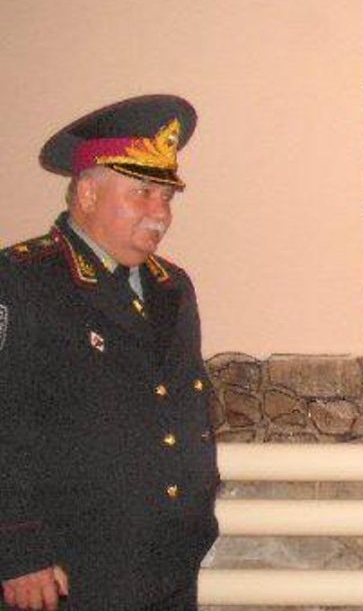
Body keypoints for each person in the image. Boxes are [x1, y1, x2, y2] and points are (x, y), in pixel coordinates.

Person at [0, 95, 219, 610]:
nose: (159, 214)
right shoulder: (24, 280)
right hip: (68, 570)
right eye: (142, 193)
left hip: (167, 560)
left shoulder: (172, 287)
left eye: (166, 197)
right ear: (87, 193)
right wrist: (18, 548)